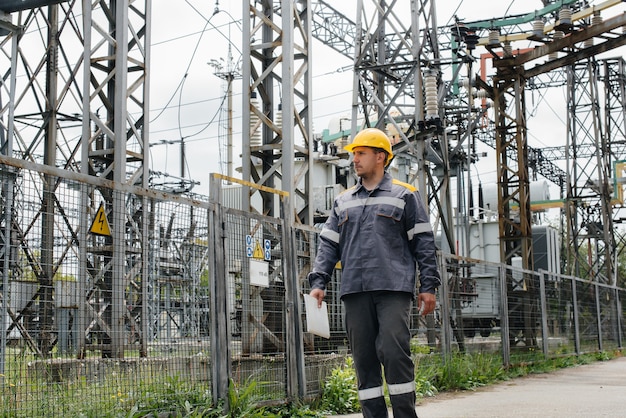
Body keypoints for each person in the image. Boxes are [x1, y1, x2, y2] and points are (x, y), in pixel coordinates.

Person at [308, 127, 441, 418]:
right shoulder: (343, 200)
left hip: (392, 289)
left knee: (394, 353)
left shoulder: (405, 195)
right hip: (355, 289)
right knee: (364, 361)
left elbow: (423, 242)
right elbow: (328, 243)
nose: (354, 160)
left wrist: (428, 286)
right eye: (354, 154)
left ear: (380, 157)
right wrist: (320, 280)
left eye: (361, 153)